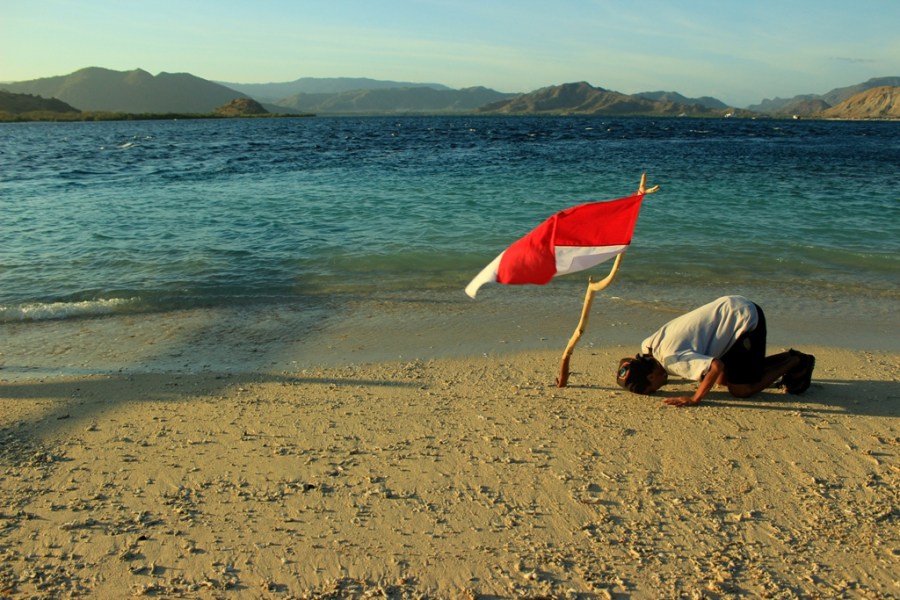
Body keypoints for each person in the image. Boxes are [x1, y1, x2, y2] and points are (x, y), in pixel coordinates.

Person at [616, 295, 814, 407]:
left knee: (740, 390)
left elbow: (716, 365)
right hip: (729, 310)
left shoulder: (672, 360)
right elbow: (627, 360)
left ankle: (796, 361)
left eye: (654, 389)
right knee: (721, 380)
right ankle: (788, 359)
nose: (660, 389)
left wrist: (695, 398)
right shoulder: (648, 346)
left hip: (744, 320)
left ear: (651, 377)